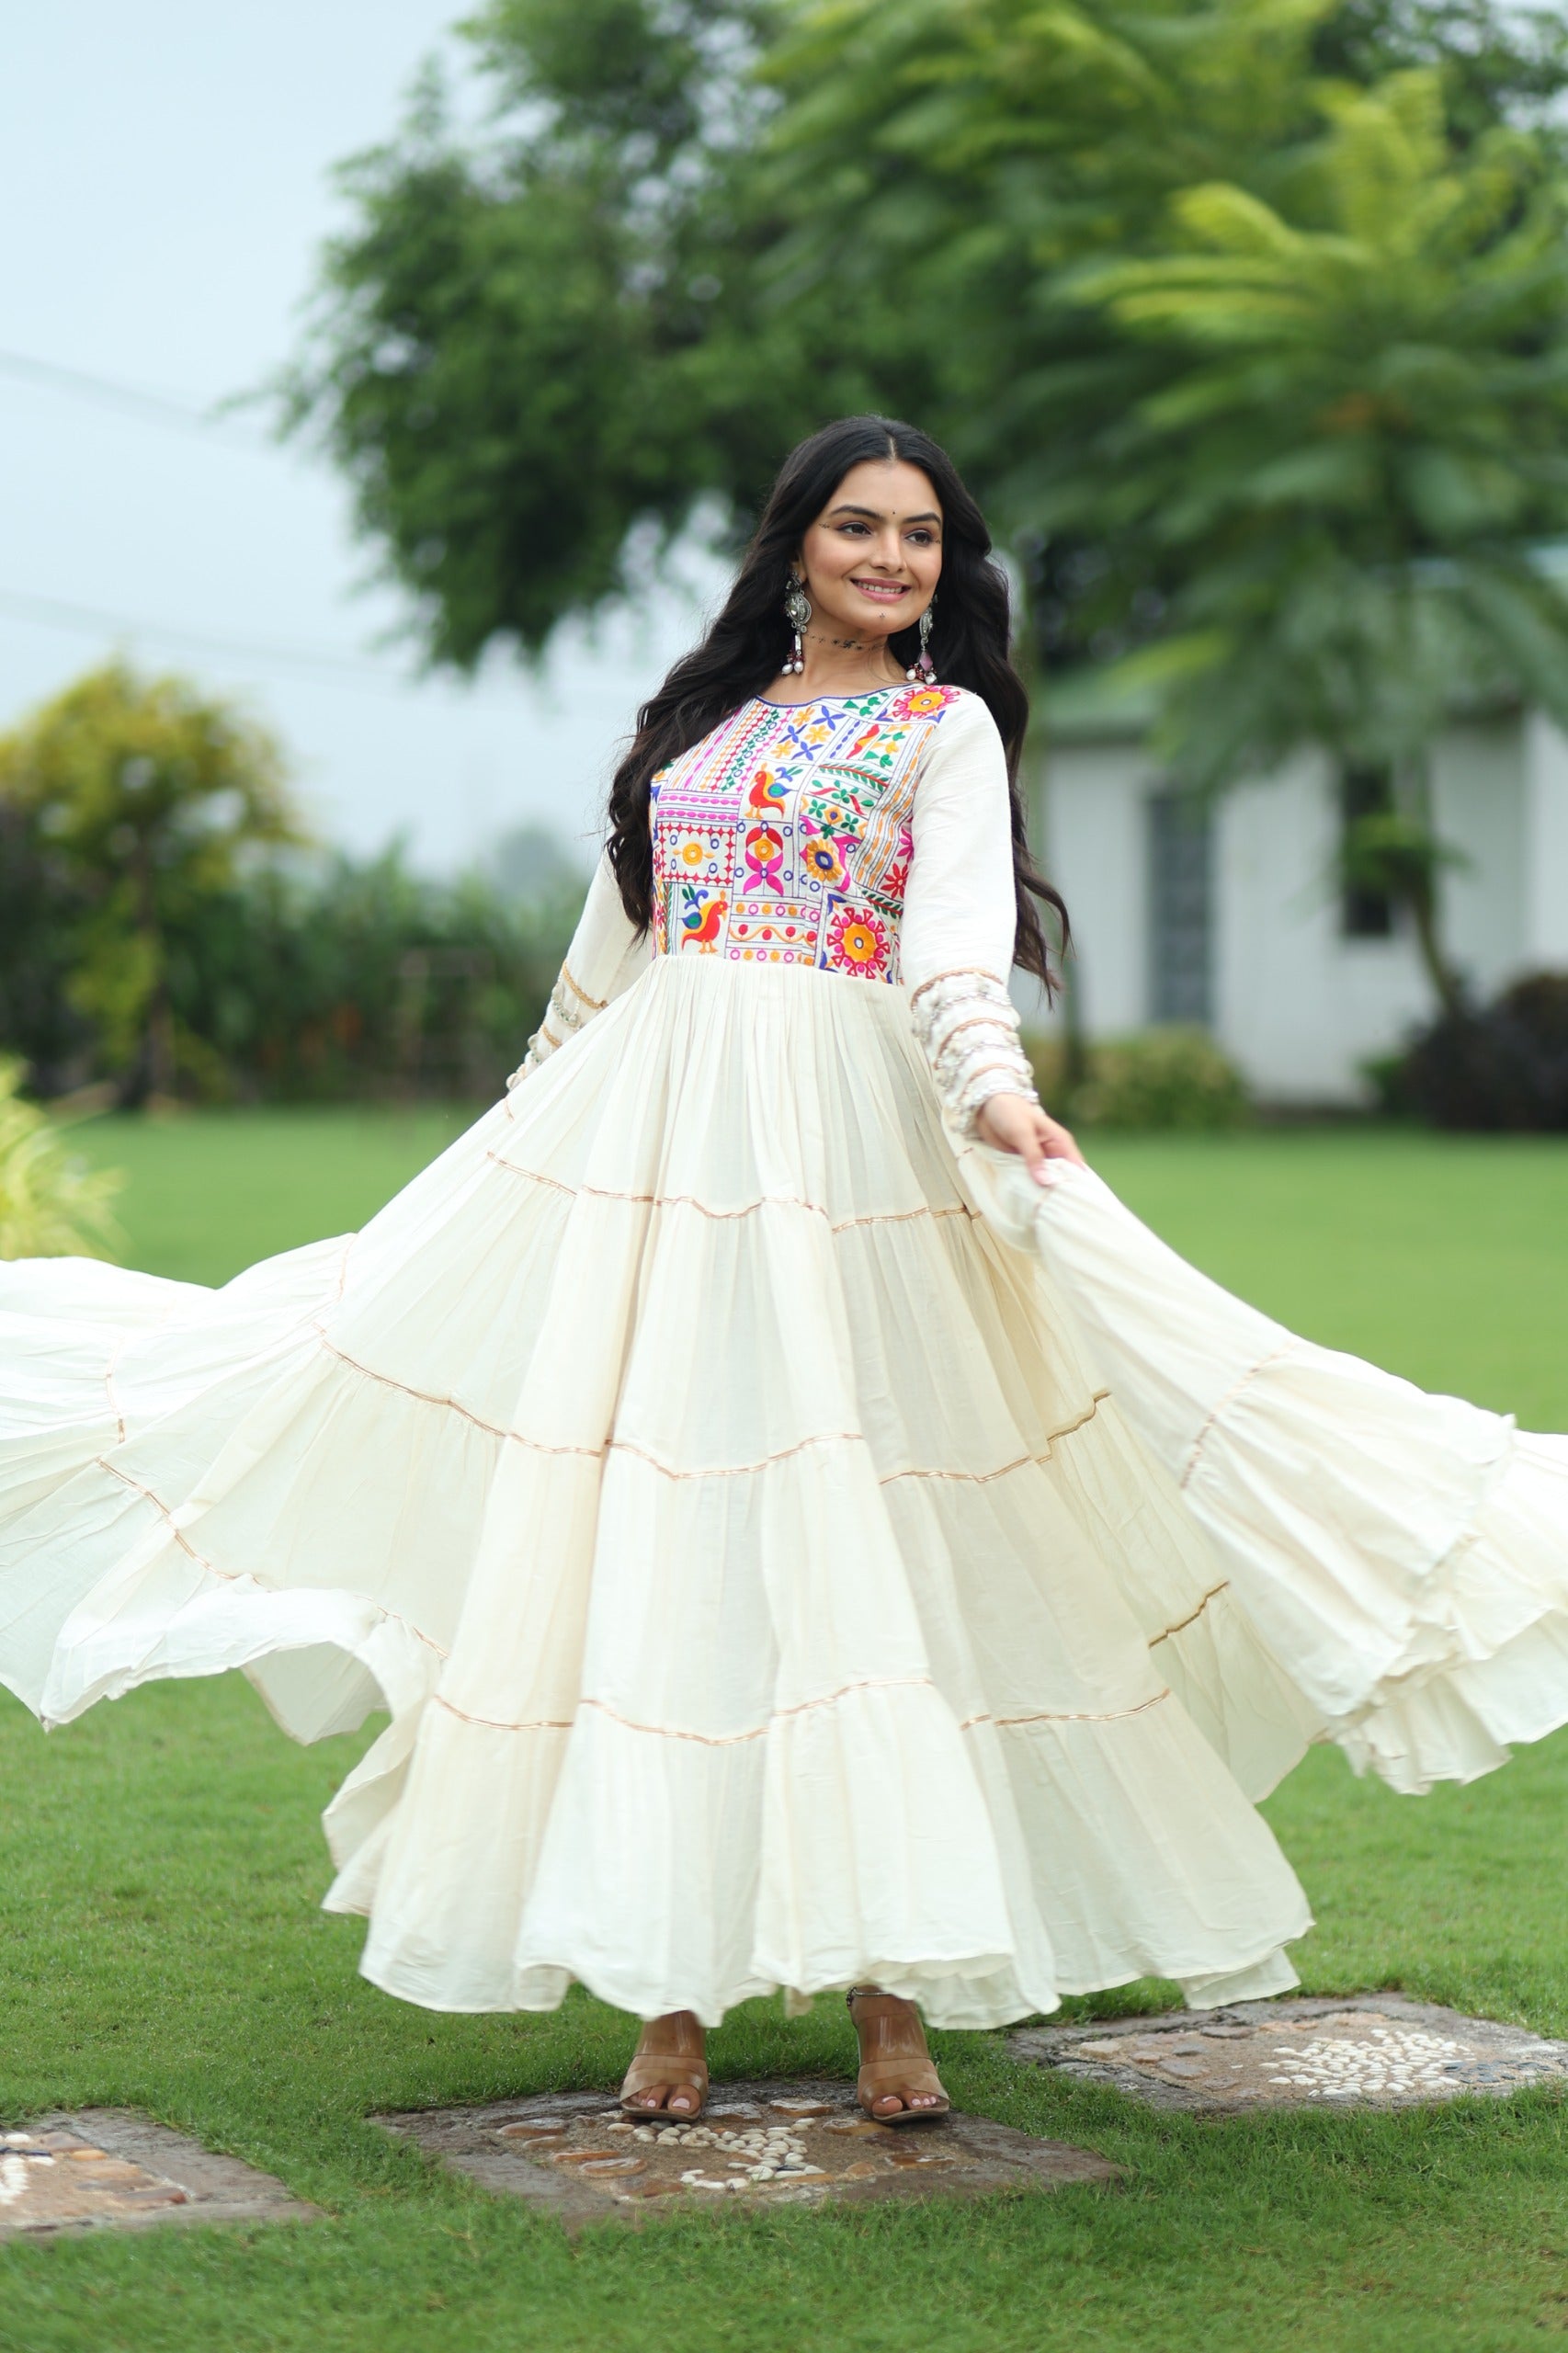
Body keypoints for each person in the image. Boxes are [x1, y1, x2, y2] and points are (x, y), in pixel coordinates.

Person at [1, 417, 1564, 2129]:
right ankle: (666, 2004)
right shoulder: (698, 729)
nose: (891, 560)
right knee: (662, 1540)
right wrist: (518, 1153)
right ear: (795, 545)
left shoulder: (940, 726)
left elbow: (954, 947)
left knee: (869, 1536)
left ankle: (893, 2003)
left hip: (846, 1149)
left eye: (920, 538)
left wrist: (996, 1089)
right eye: (857, 528)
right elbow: (605, 966)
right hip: (653, 1143)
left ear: (943, 569)